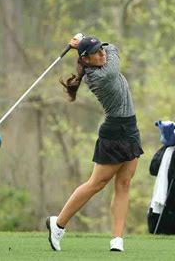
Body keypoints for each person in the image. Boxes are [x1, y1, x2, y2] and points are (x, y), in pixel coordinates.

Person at [46, 35, 143, 252]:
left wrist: (81, 44)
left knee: (124, 183)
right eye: (96, 52)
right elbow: (115, 49)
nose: (102, 53)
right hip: (114, 132)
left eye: (101, 49)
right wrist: (81, 43)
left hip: (130, 128)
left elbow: (107, 50)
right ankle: (58, 223)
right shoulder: (102, 75)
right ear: (86, 60)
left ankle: (117, 239)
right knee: (96, 184)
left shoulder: (97, 63)